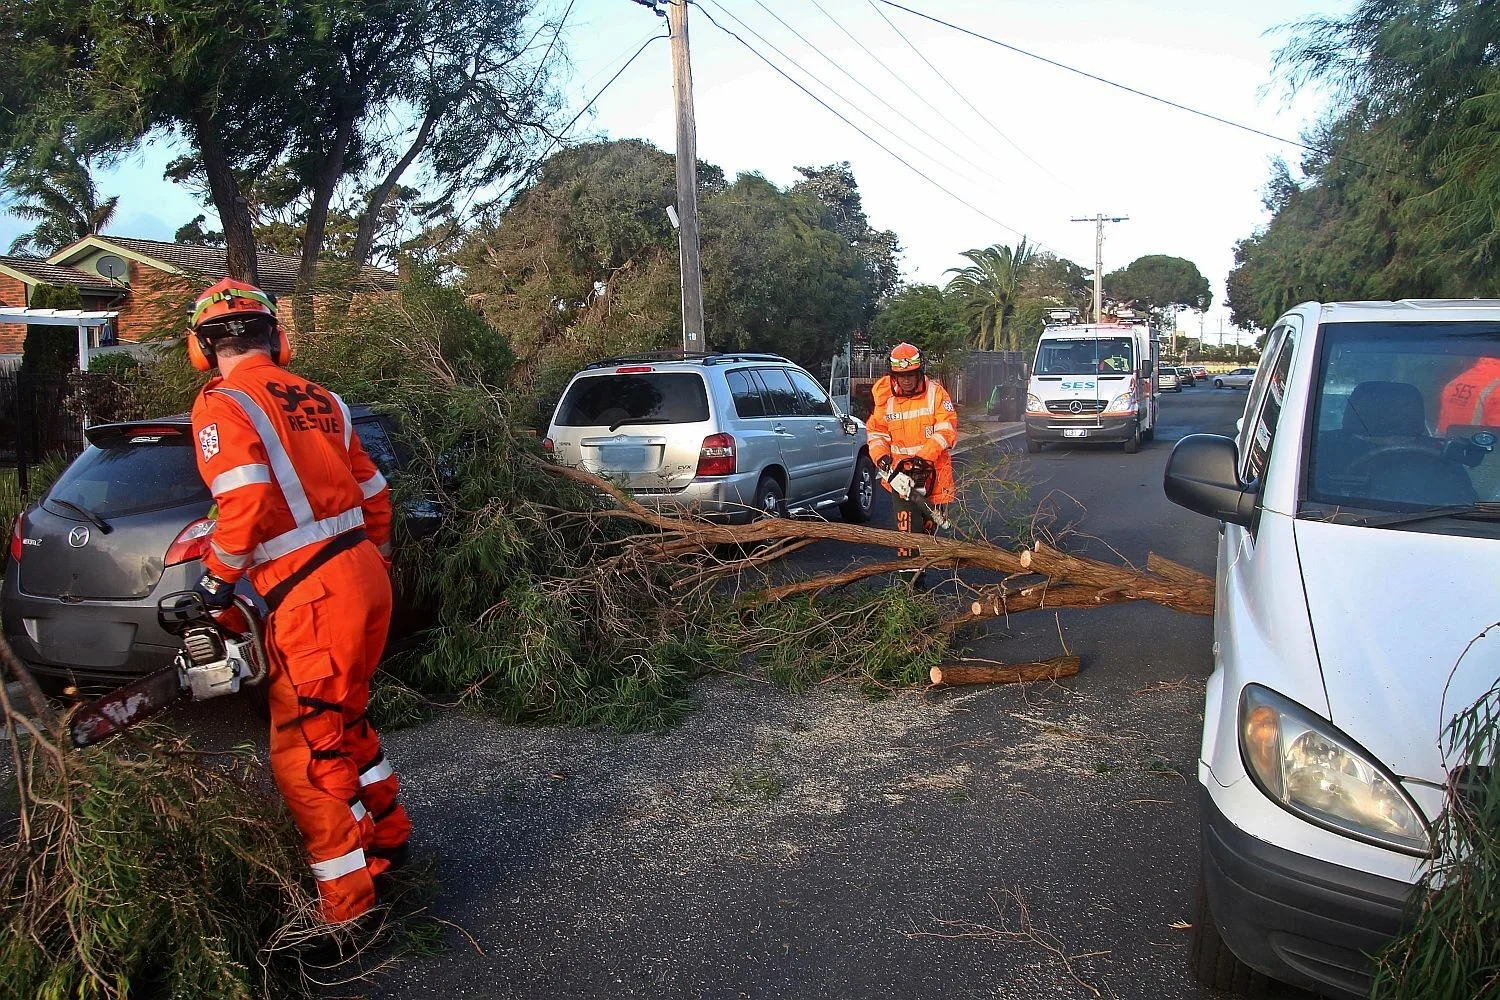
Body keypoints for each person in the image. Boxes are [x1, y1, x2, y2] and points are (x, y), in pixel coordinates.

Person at [187, 278, 411, 924]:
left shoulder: (224, 403)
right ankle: (387, 840)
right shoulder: (324, 400)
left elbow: (248, 498)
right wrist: (372, 565)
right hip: (364, 573)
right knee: (346, 720)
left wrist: (215, 583)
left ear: (202, 350)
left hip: (312, 593)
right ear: (279, 339)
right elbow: (375, 493)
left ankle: (346, 906)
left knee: (307, 754)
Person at [866, 343, 958, 587]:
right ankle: (910, 591)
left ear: (919, 371)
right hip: (901, 480)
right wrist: (881, 457)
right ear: (893, 375)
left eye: (910, 375)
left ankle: (920, 577)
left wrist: (924, 457)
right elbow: (876, 433)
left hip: (934, 477)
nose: (906, 381)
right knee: (907, 536)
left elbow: (947, 428)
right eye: (901, 376)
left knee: (927, 536)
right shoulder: (885, 399)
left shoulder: (936, 394)